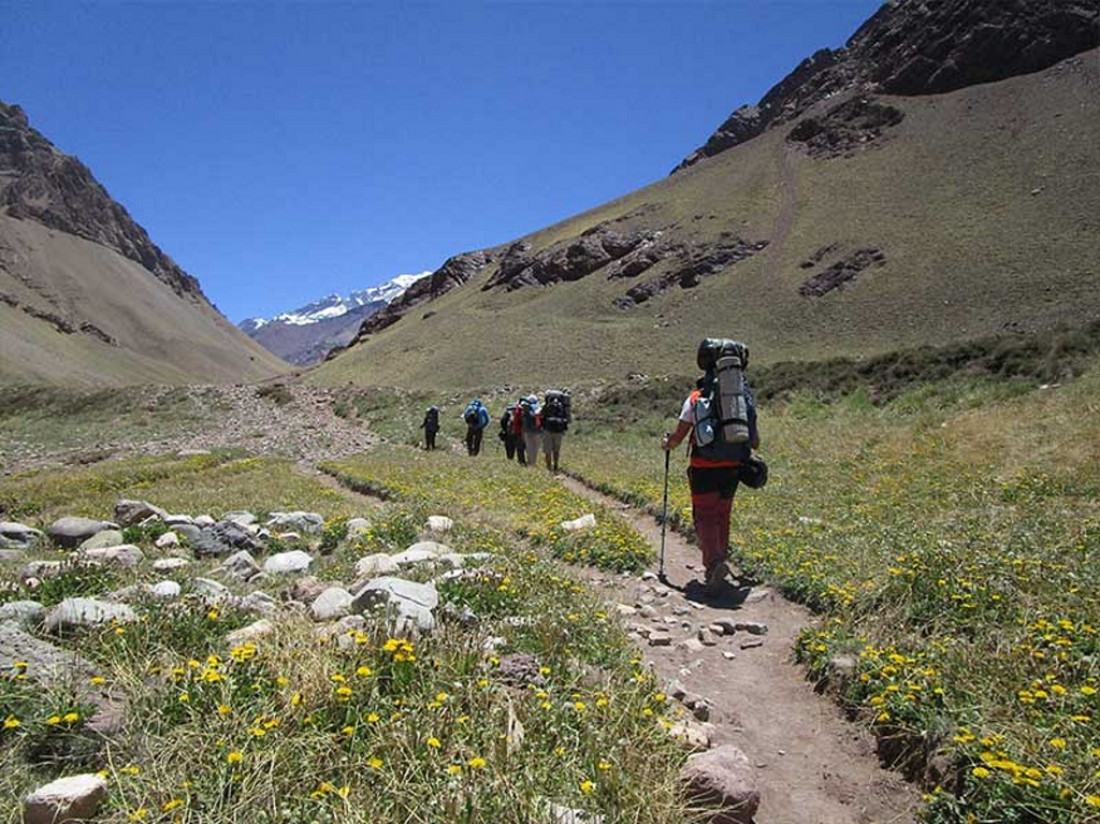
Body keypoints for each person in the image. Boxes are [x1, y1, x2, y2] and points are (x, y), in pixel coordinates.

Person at [662, 339, 759, 594]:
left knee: (704, 514)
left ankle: (713, 563)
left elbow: (679, 436)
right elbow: (755, 441)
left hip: (704, 466)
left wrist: (667, 444)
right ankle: (720, 559)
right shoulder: (742, 397)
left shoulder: (696, 397)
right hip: (734, 465)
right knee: (722, 514)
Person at [540, 389, 571, 472]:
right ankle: (556, 465)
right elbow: (567, 418)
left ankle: (549, 468)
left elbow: (540, 415)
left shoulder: (545, 406)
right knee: (556, 450)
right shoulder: (562, 407)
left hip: (547, 430)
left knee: (547, 450)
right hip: (559, 431)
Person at [519, 394, 541, 466]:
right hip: (536, 431)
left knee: (529, 447)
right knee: (535, 447)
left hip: (526, 430)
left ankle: (530, 462)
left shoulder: (525, 408)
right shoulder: (537, 407)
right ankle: (533, 462)